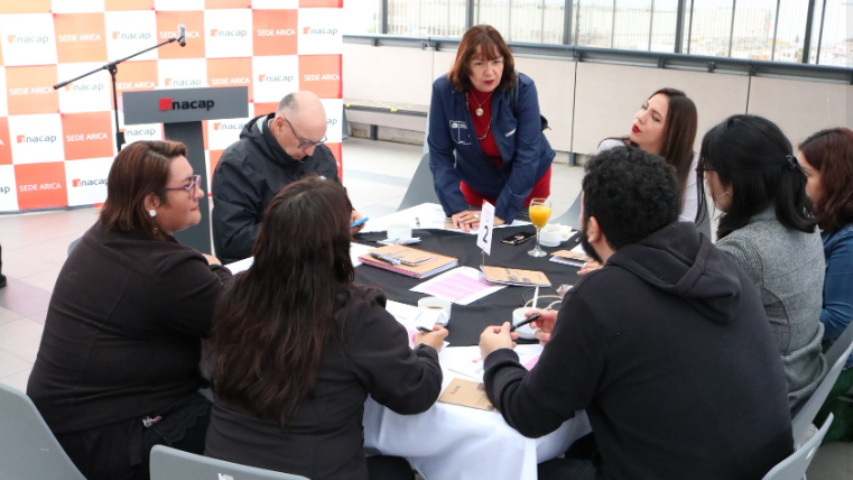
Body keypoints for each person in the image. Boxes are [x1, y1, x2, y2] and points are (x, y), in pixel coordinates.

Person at [479, 146, 794, 480]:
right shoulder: (719, 262)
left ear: (594, 228)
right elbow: (660, 339)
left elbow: (529, 415)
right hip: (763, 468)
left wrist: (497, 358)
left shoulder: (599, 298)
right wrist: (576, 336)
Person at [204, 176, 447, 480]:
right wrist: (428, 350)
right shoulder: (354, 315)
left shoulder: (234, 294)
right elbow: (416, 394)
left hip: (220, 472)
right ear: (337, 244)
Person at [27, 140, 232, 480]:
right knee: (246, 433)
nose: (198, 192)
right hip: (104, 441)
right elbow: (238, 314)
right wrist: (217, 266)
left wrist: (205, 268)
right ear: (151, 202)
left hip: (56, 428)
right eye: (187, 186)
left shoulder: (105, 235)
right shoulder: (164, 268)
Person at [700, 115, 827, 415]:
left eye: (709, 169)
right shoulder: (801, 220)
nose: (706, 179)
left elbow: (696, 326)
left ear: (734, 179)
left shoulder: (745, 248)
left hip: (767, 401)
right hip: (803, 378)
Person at [211, 91, 364, 263]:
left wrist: (346, 216)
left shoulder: (321, 154)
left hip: (319, 261)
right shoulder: (237, 164)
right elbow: (234, 240)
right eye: (304, 142)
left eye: (318, 141)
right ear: (280, 125)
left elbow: (339, 203)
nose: (311, 151)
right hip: (265, 269)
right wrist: (306, 230)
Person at [428, 25, 555, 232]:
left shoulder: (522, 88)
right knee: (470, 247)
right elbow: (439, 154)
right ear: (464, 65)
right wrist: (456, 208)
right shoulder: (444, 90)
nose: (490, 72)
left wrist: (502, 212)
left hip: (524, 188)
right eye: (479, 63)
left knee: (515, 248)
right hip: (477, 184)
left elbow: (528, 155)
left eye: (496, 62)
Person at [797, 127, 853, 443]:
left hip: (836, 366)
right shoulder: (827, 225)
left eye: (805, 174)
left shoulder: (848, 237)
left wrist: (787, 318)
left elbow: (839, 321)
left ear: (834, 179)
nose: (796, 183)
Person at [597, 88, 699, 223]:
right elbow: (593, 205)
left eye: (655, 118)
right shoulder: (611, 149)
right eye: (644, 107)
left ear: (674, 133)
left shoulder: (690, 163)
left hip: (665, 242)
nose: (640, 116)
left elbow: (685, 221)